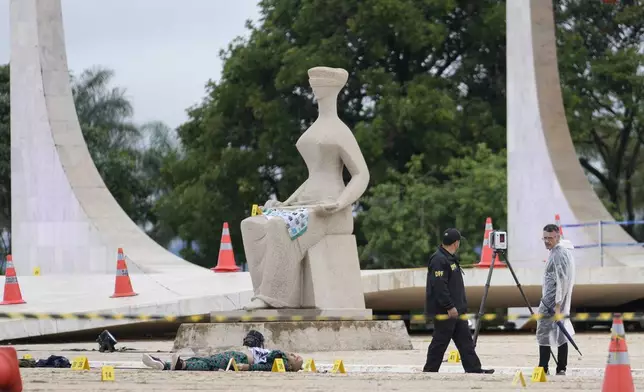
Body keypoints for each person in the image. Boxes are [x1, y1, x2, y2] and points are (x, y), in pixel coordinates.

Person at [423, 228, 494, 374]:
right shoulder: (439, 259)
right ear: (456, 243)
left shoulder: (449, 258)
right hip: (446, 310)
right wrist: (449, 306)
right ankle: (430, 370)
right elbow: (439, 286)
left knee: (465, 341)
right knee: (440, 341)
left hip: (457, 309)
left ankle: (474, 368)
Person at [536, 224, 576, 376]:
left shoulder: (559, 254)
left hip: (552, 303)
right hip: (553, 302)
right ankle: (560, 367)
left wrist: (558, 305)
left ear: (557, 237)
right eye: (544, 238)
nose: (546, 241)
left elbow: (562, 281)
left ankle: (544, 367)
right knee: (559, 333)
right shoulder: (557, 252)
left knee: (545, 334)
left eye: (550, 238)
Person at [142, 349, 303, 372]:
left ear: (290, 365)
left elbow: (263, 367)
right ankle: (166, 365)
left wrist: (245, 367)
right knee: (206, 363)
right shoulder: (279, 361)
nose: (294, 354)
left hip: (237, 359)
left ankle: (179, 364)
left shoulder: (278, 359)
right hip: (236, 358)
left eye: (296, 358)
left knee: (209, 362)